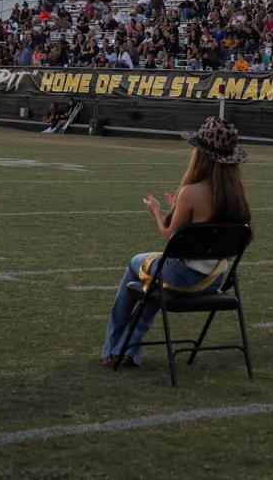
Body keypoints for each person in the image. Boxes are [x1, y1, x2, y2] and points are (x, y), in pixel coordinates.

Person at [101, 117, 251, 366]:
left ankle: (114, 350)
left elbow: (171, 235)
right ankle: (127, 349)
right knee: (152, 286)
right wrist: (178, 209)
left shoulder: (191, 192)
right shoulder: (236, 195)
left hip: (184, 276)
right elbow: (208, 232)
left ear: (200, 154)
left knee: (135, 265)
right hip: (216, 278)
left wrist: (157, 212)